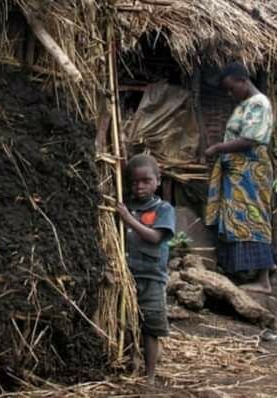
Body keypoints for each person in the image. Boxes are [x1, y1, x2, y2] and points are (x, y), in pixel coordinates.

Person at [204, 62, 275, 294]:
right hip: (239, 171)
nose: (229, 93)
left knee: (255, 219)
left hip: (251, 171)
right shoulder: (246, 104)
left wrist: (217, 148)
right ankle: (242, 272)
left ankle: (264, 281)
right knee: (239, 220)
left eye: (232, 88)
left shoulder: (259, 103)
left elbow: (250, 140)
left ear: (243, 80)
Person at [116, 154, 176, 385]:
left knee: (151, 327)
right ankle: (133, 363)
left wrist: (128, 219)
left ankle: (150, 375)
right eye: (134, 182)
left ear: (158, 181)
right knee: (129, 322)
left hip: (152, 278)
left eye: (146, 181)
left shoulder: (164, 209)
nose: (139, 187)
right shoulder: (126, 205)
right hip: (128, 275)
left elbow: (154, 237)